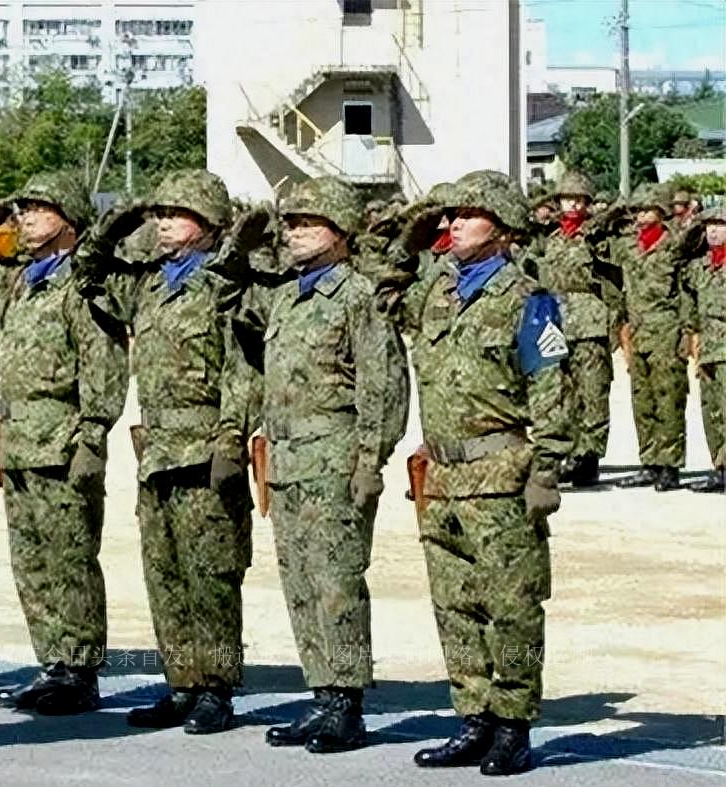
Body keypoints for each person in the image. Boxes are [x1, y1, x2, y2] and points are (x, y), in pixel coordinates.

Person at [377, 170, 570, 777]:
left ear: (504, 228)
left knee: (510, 605)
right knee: (454, 605)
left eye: (468, 214)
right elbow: (385, 286)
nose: (454, 223)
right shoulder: (437, 291)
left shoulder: (528, 299)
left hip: (500, 473)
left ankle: (513, 725)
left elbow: (551, 384)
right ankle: (474, 717)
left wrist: (547, 467)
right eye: (450, 215)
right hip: (442, 474)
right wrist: (413, 230)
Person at [237, 177, 408, 752]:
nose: (294, 233)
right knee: (301, 585)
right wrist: (247, 240)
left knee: (337, 585)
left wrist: (369, 460)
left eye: (308, 224)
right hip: (287, 461)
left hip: (335, 460)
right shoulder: (288, 295)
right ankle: (321, 693)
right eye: (291, 223)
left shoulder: (359, 297)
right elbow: (226, 294)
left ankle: (347, 701)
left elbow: (382, 385)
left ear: (340, 234)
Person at [93, 170, 254, 735]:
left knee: (211, 577)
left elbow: (242, 369)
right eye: (158, 214)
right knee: (165, 576)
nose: (162, 223)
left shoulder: (226, 285)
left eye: (174, 213)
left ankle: (218, 687)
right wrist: (120, 219)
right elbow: (90, 275)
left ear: (208, 225)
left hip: (205, 448)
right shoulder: (152, 285)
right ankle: (183, 682)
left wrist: (231, 441)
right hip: (158, 450)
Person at [0, 171, 128, 716]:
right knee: (32, 563)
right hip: (21, 443)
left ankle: (80, 671)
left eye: (38, 210)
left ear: (68, 220)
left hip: (64, 443)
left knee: (71, 562)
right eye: (22, 211)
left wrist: (93, 435)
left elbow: (103, 365)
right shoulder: (24, 281)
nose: (24, 220)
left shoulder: (83, 284)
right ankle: (52, 663)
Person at [524, 172, 617, 487]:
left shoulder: (595, 236)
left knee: (592, 390)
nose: (573, 204)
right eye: (567, 198)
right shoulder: (551, 239)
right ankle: (568, 451)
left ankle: (589, 457)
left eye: (579, 199)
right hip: (557, 319)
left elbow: (614, 275)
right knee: (562, 391)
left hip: (589, 319)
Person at [612, 186, 693, 491]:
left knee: (669, 399)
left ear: (662, 212)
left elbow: (684, 293)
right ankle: (650, 462)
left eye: (647, 210)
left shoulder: (674, 247)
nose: (641, 217)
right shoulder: (629, 247)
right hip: (638, 330)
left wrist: (686, 334)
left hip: (666, 330)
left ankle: (670, 466)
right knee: (641, 400)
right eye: (638, 211)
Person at [685, 207, 726, 493]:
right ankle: (720, 468)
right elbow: (679, 252)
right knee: (711, 411)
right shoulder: (700, 265)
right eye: (709, 225)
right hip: (708, 347)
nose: (713, 230)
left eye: (720, 225)